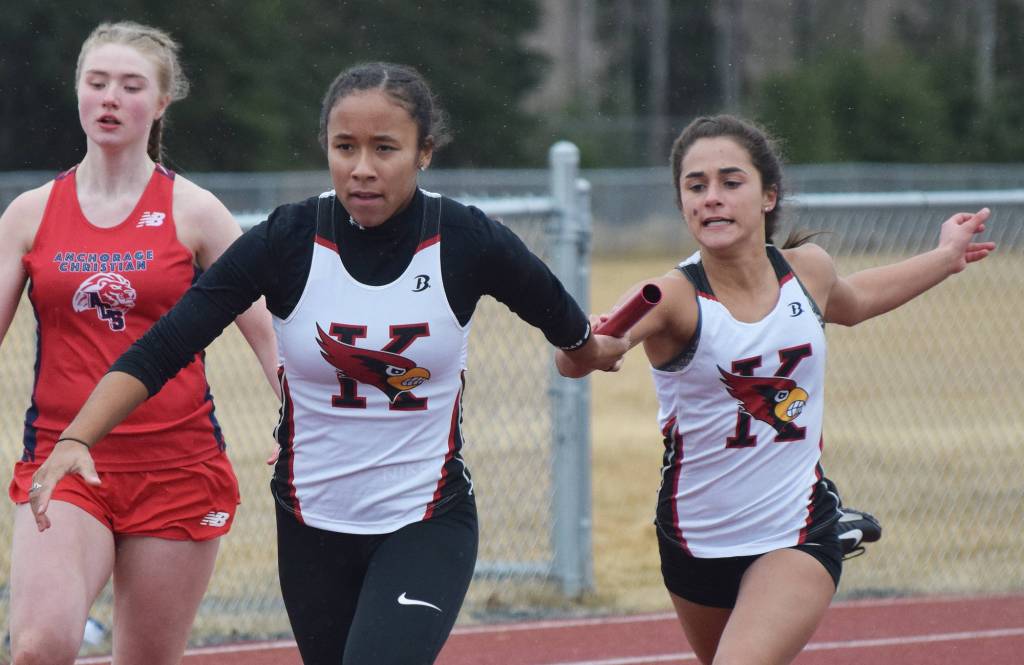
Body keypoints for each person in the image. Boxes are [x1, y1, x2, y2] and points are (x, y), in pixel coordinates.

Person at [27, 61, 629, 664]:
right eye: (346, 148)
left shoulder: (466, 238)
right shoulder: (288, 239)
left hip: (425, 518)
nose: (362, 168)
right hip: (311, 525)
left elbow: (571, 332)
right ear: (327, 149)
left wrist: (589, 352)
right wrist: (80, 435)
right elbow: (165, 345)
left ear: (424, 153)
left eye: (385, 148)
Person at [556, 115, 994, 665]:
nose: (712, 198)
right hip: (695, 544)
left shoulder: (807, 271)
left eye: (730, 182)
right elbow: (579, 360)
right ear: (682, 203)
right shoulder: (673, 297)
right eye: (696, 187)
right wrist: (590, 345)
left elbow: (855, 302)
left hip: (796, 529)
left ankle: (833, 531)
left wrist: (947, 258)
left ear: (768, 196)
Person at [1, 21, 280, 664]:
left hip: (177, 470)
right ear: (77, 93)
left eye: (130, 86)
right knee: (39, 647)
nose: (110, 99)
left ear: (160, 104)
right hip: (66, 461)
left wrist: (301, 420)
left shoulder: (196, 211)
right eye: (96, 83)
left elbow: (270, 334)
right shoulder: (30, 213)